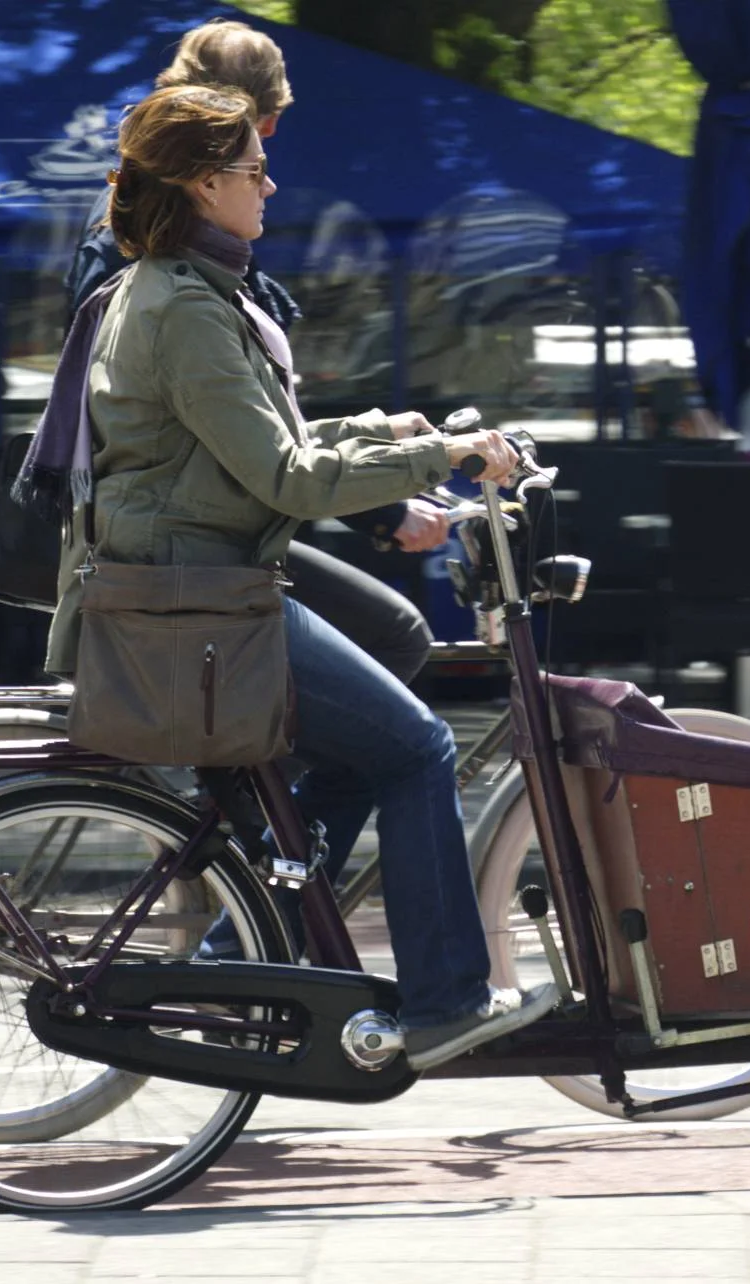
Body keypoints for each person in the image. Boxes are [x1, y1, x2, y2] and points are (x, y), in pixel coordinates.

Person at [39, 83, 554, 1069]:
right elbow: (284, 477)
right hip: (200, 602)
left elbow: (247, 446)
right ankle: (446, 1000)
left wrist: (396, 429)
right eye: (252, 169)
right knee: (417, 749)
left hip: (202, 588)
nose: (270, 184)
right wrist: (439, 460)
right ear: (201, 183)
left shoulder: (179, 286)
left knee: (364, 752)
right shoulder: (182, 304)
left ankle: (245, 956)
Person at [64, 19, 449, 688]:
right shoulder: (174, 266)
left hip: (191, 516)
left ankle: (252, 787)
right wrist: (398, 489)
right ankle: (253, 790)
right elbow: (222, 425)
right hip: (178, 539)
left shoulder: (183, 242)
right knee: (398, 664)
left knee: (384, 642)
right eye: (257, 147)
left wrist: (379, 438)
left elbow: (238, 414)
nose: (268, 179)